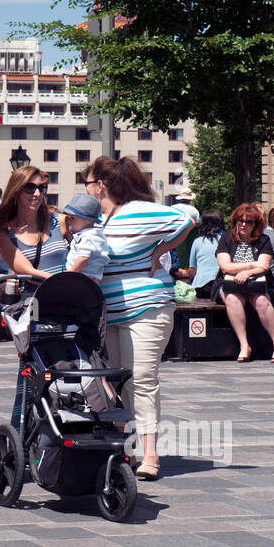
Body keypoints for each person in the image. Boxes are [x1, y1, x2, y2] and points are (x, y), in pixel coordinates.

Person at [83, 156, 193, 480]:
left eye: (88, 183)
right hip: (112, 315)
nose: (86, 189)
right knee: (119, 383)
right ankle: (124, 448)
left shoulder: (138, 210)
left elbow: (185, 220)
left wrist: (161, 250)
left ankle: (150, 455)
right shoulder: (100, 220)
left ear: (100, 185)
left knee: (142, 381)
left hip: (146, 309)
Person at [0, 166, 66, 340]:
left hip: (67, 303)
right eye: (29, 188)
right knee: (34, 359)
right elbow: (26, 272)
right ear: (16, 191)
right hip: (33, 306)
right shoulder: (5, 233)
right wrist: (68, 284)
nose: (37, 193)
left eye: (41, 188)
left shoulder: (60, 222)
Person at [216, 202, 274, 364]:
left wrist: (247, 272)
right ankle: (244, 345)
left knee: (261, 300)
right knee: (232, 299)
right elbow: (225, 266)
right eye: (240, 220)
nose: (244, 225)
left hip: (258, 283)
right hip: (230, 284)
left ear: (256, 224)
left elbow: (264, 266)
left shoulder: (263, 240)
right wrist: (251, 265)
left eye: (249, 222)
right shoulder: (226, 238)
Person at [175, 209, 225, 299]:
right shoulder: (228, 240)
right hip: (223, 286)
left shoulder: (198, 241)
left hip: (202, 287)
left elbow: (192, 272)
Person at [63, 193, 110, 282]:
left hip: (81, 278)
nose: (69, 221)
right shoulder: (96, 234)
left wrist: (69, 274)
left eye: (72, 218)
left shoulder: (86, 237)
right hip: (90, 278)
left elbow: (83, 258)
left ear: (87, 221)